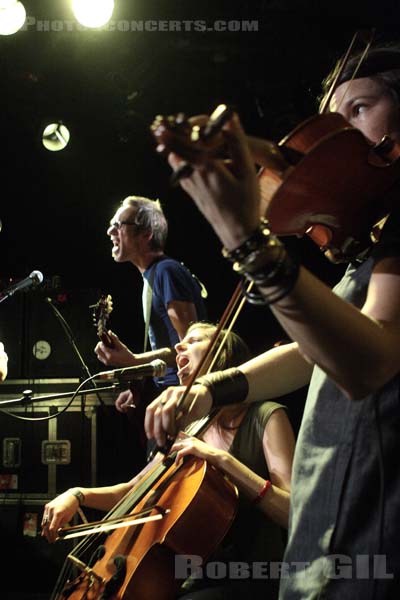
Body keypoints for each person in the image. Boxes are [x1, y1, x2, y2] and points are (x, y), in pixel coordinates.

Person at [146, 44, 400, 599]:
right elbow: (312, 351)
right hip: (333, 535)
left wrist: (252, 246)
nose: (342, 141)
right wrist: (210, 389)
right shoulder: (372, 253)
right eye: (335, 122)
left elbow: (374, 360)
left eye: (359, 109)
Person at [42, 321, 295, 599]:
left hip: (251, 576)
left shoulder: (266, 416)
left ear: (223, 354)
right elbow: (133, 492)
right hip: (192, 579)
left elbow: (292, 512)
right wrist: (77, 495)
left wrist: (221, 459)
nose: (178, 346)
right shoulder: (189, 429)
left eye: (194, 340)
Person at [94, 195, 207, 417]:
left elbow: (193, 350)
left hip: (180, 400)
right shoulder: (152, 276)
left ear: (146, 234)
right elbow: (170, 350)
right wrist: (141, 385)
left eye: (118, 225)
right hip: (166, 394)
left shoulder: (167, 272)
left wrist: (134, 360)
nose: (110, 232)